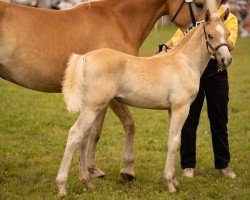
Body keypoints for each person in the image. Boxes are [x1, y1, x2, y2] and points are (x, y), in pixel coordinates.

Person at [165, 0, 238, 178]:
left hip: (217, 71)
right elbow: (179, 37)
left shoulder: (230, 18)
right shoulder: (199, 18)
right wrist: (166, 46)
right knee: (189, 120)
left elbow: (230, 43)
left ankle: (223, 164)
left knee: (219, 119)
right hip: (192, 71)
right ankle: (188, 165)